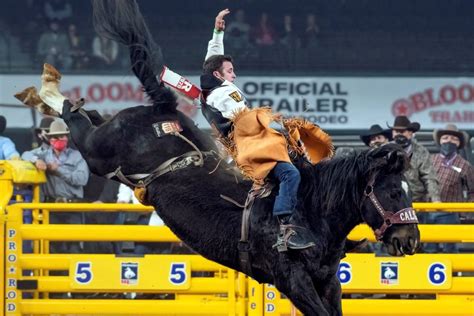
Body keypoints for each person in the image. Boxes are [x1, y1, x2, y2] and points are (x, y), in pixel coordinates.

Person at [199, 9, 316, 252]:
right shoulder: (227, 93)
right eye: (230, 71)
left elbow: (211, 62)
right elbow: (249, 122)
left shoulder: (211, 92)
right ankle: (285, 228)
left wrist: (217, 33)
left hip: (241, 146)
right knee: (292, 175)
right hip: (250, 147)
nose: (235, 74)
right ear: (219, 75)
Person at [21, 119, 89, 253]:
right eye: (54, 137)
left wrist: (58, 170)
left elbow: (81, 179)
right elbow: (25, 155)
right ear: (49, 139)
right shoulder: (44, 155)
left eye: (61, 136)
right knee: (52, 246)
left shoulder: (77, 156)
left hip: (72, 207)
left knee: (74, 246)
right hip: (51, 208)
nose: (58, 139)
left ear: (67, 138)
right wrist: (36, 160)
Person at [426, 124, 474, 253]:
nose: (449, 141)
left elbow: (472, 191)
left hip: (450, 213)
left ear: (459, 143)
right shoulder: (430, 160)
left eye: (453, 139)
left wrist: (465, 212)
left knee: (450, 248)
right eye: (445, 138)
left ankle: (455, 271)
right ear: (440, 141)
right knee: (429, 248)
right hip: (427, 210)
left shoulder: (465, 165)